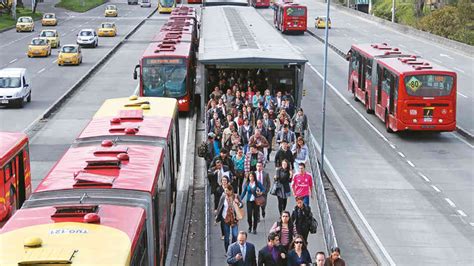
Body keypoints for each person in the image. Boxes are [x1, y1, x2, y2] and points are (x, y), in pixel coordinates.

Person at [216, 184, 244, 252]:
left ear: (231, 191)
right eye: (225, 191)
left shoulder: (236, 196)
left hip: (234, 219)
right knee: (227, 237)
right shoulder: (223, 197)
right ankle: (228, 251)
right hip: (225, 218)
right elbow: (219, 207)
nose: (226, 192)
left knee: (235, 235)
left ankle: (232, 248)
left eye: (227, 191)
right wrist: (217, 217)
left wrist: (238, 203)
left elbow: (241, 205)